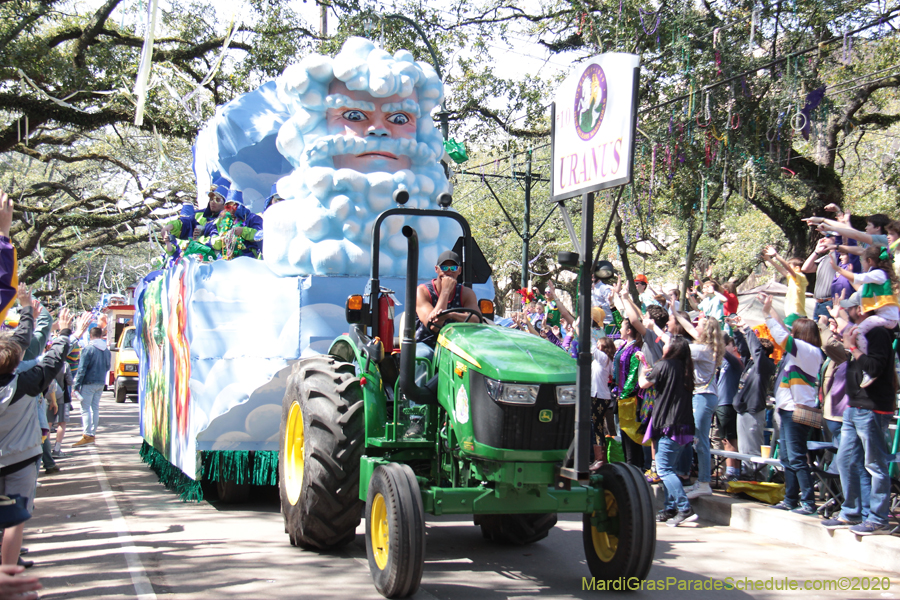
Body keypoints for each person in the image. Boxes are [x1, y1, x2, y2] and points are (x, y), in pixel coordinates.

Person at [0, 285, 72, 568]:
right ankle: (9, 568)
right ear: (17, 361)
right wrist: (64, 332)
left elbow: (18, 341)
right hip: (21, 460)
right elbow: (53, 360)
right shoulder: (27, 383)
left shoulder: (25, 380)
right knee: (15, 518)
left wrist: (26, 310)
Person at [821, 293, 896, 534]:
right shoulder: (860, 330)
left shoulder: (878, 333)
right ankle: (851, 512)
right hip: (855, 406)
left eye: (850, 309)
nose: (848, 313)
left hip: (873, 407)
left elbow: (874, 367)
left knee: (874, 463)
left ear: (861, 309)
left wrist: (852, 348)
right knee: (845, 460)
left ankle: (877, 517)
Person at [759, 292, 822, 515]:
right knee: (787, 457)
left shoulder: (808, 351)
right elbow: (784, 331)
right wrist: (770, 310)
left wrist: (766, 315)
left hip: (796, 412)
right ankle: (790, 499)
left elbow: (782, 336)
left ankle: (808, 502)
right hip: (787, 411)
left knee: (796, 457)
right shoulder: (801, 353)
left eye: (794, 331)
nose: (790, 334)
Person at [639, 336, 697, 526]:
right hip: (684, 425)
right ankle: (669, 507)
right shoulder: (686, 368)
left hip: (669, 424)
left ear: (673, 349)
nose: (663, 345)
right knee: (669, 469)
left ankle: (684, 507)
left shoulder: (665, 365)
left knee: (663, 469)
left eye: (666, 343)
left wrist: (642, 371)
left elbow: (644, 384)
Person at [668, 311, 725, 499]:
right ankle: (700, 480)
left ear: (705, 331)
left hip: (703, 396)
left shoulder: (702, 350)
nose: (695, 327)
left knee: (700, 440)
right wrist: (675, 311)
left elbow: (676, 350)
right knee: (697, 439)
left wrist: (659, 333)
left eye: (698, 325)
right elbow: (690, 328)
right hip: (702, 396)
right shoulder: (707, 346)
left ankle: (704, 482)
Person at [829, 245, 900, 387]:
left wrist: (838, 269)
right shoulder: (874, 280)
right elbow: (859, 293)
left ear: (869, 260)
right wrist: (840, 304)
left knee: (858, 331)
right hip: (883, 318)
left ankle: (869, 367)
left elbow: (859, 278)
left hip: (888, 319)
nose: (862, 264)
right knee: (854, 330)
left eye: (863, 261)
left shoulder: (879, 274)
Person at [730, 315, 776, 480]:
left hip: (753, 409)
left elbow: (755, 350)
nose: (750, 354)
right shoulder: (750, 363)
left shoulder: (764, 365)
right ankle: (748, 475)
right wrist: (736, 329)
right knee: (744, 447)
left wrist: (747, 329)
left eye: (754, 351)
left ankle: (758, 477)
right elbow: (743, 348)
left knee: (752, 447)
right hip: (743, 409)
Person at [413, 250, 479, 362]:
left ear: (459, 271)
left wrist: (450, 315)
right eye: (444, 268)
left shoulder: (466, 293)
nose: (448, 272)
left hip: (456, 344)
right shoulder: (422, 291)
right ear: (436, 269)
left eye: (453, 268)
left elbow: (476, 320)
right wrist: (445, 291)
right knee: (423, 356)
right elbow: (433, 326)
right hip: (426, 343)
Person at [612, 318, 647, 471]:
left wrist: (623, 393)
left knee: (630, 434)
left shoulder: (635, 349)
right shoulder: (625, 346)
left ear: (629, 330)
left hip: (629, 397)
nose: (619, 329)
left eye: (622, 327)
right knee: (623, 432)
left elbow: (633, 375)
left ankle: (634, 467)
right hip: (620, 394)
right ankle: (628, 464)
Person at [71, 326, 111, 447]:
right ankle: (92, 433)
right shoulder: (107, 350)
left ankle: (87, 434)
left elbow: (82, 369)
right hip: (100, 382)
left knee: (85, 409)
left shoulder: (88, 349)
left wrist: (76, 385)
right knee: (95, 408)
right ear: (101, 335)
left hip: (88, 382)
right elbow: (108, 366)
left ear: (90, 335)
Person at [715, 333, 743, 482]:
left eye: (728, 345)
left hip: (728, 404)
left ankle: (733, 472)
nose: (726, 348)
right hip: (720, 403)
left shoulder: (737, 362)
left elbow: (727, 355)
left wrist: (718, 341)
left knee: (731, 439)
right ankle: (730, 469)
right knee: (725, 439)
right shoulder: (722, 364)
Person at [762, 245, 808, 322]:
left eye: (790, 266)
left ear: (797, 268)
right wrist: (770, 260)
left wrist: (776, 255)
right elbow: (781, 269)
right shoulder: (792, 279)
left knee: (784, 331)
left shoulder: (800, 277)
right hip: (792, 314)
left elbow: (787, 267)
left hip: (796, 314)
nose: (788, 269)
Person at [590, 337, 616, 470]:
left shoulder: (604, 359)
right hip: (597, 394)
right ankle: (599, 457)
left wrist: (582, 329)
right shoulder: (602, 360)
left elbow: (592, 346)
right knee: (597, 426)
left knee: (598, 427)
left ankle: (600, 459)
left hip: (600, 396)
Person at [802, 236, 838, 321]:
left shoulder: (839, 255)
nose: (823, 238)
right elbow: (805, 268)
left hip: (830, 302)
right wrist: (816, 251)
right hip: (819, 303)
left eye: (828, 236)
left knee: (827, 332)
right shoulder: (825, 257)